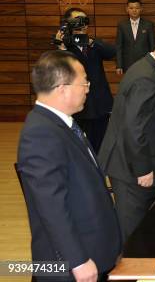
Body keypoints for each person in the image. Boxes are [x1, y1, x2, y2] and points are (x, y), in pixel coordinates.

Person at [17, 50, 122, 281]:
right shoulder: (41, 133)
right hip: (71, 266)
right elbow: (51, 206)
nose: (88, 88)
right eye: (84, 82)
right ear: (62, 88)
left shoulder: (62, 123)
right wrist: (77, 260)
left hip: (94, 249)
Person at [98, 33, 155, 242]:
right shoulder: (146, 78)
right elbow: (134, 128)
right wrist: (143, 169)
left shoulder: (148, 69)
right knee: (132, 232)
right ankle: (128, 272)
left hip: (138, 163)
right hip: (132, 169)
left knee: (145, 226)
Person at [56, 7, 115, 153]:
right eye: (77, 20)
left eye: (84, 20)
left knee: (100, 147)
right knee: (77, 147)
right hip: (77, 105)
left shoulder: (92, 43)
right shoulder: (65, 46)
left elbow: (111, 52)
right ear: (67, 23)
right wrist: (62, 49)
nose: (81, 24)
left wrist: (90, 42)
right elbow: (63, 71)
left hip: (99, 103)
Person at [115, 0, 155, 75]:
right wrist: (119, 65)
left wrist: (153, 63)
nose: (134, 10)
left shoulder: (148, 25)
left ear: (141, 9)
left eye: (137, 8)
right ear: (127, 9)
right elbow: (119, 46)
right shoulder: (122, 25)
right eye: (131, 8)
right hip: (127, 63)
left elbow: (152, 46)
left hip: (145, 63)